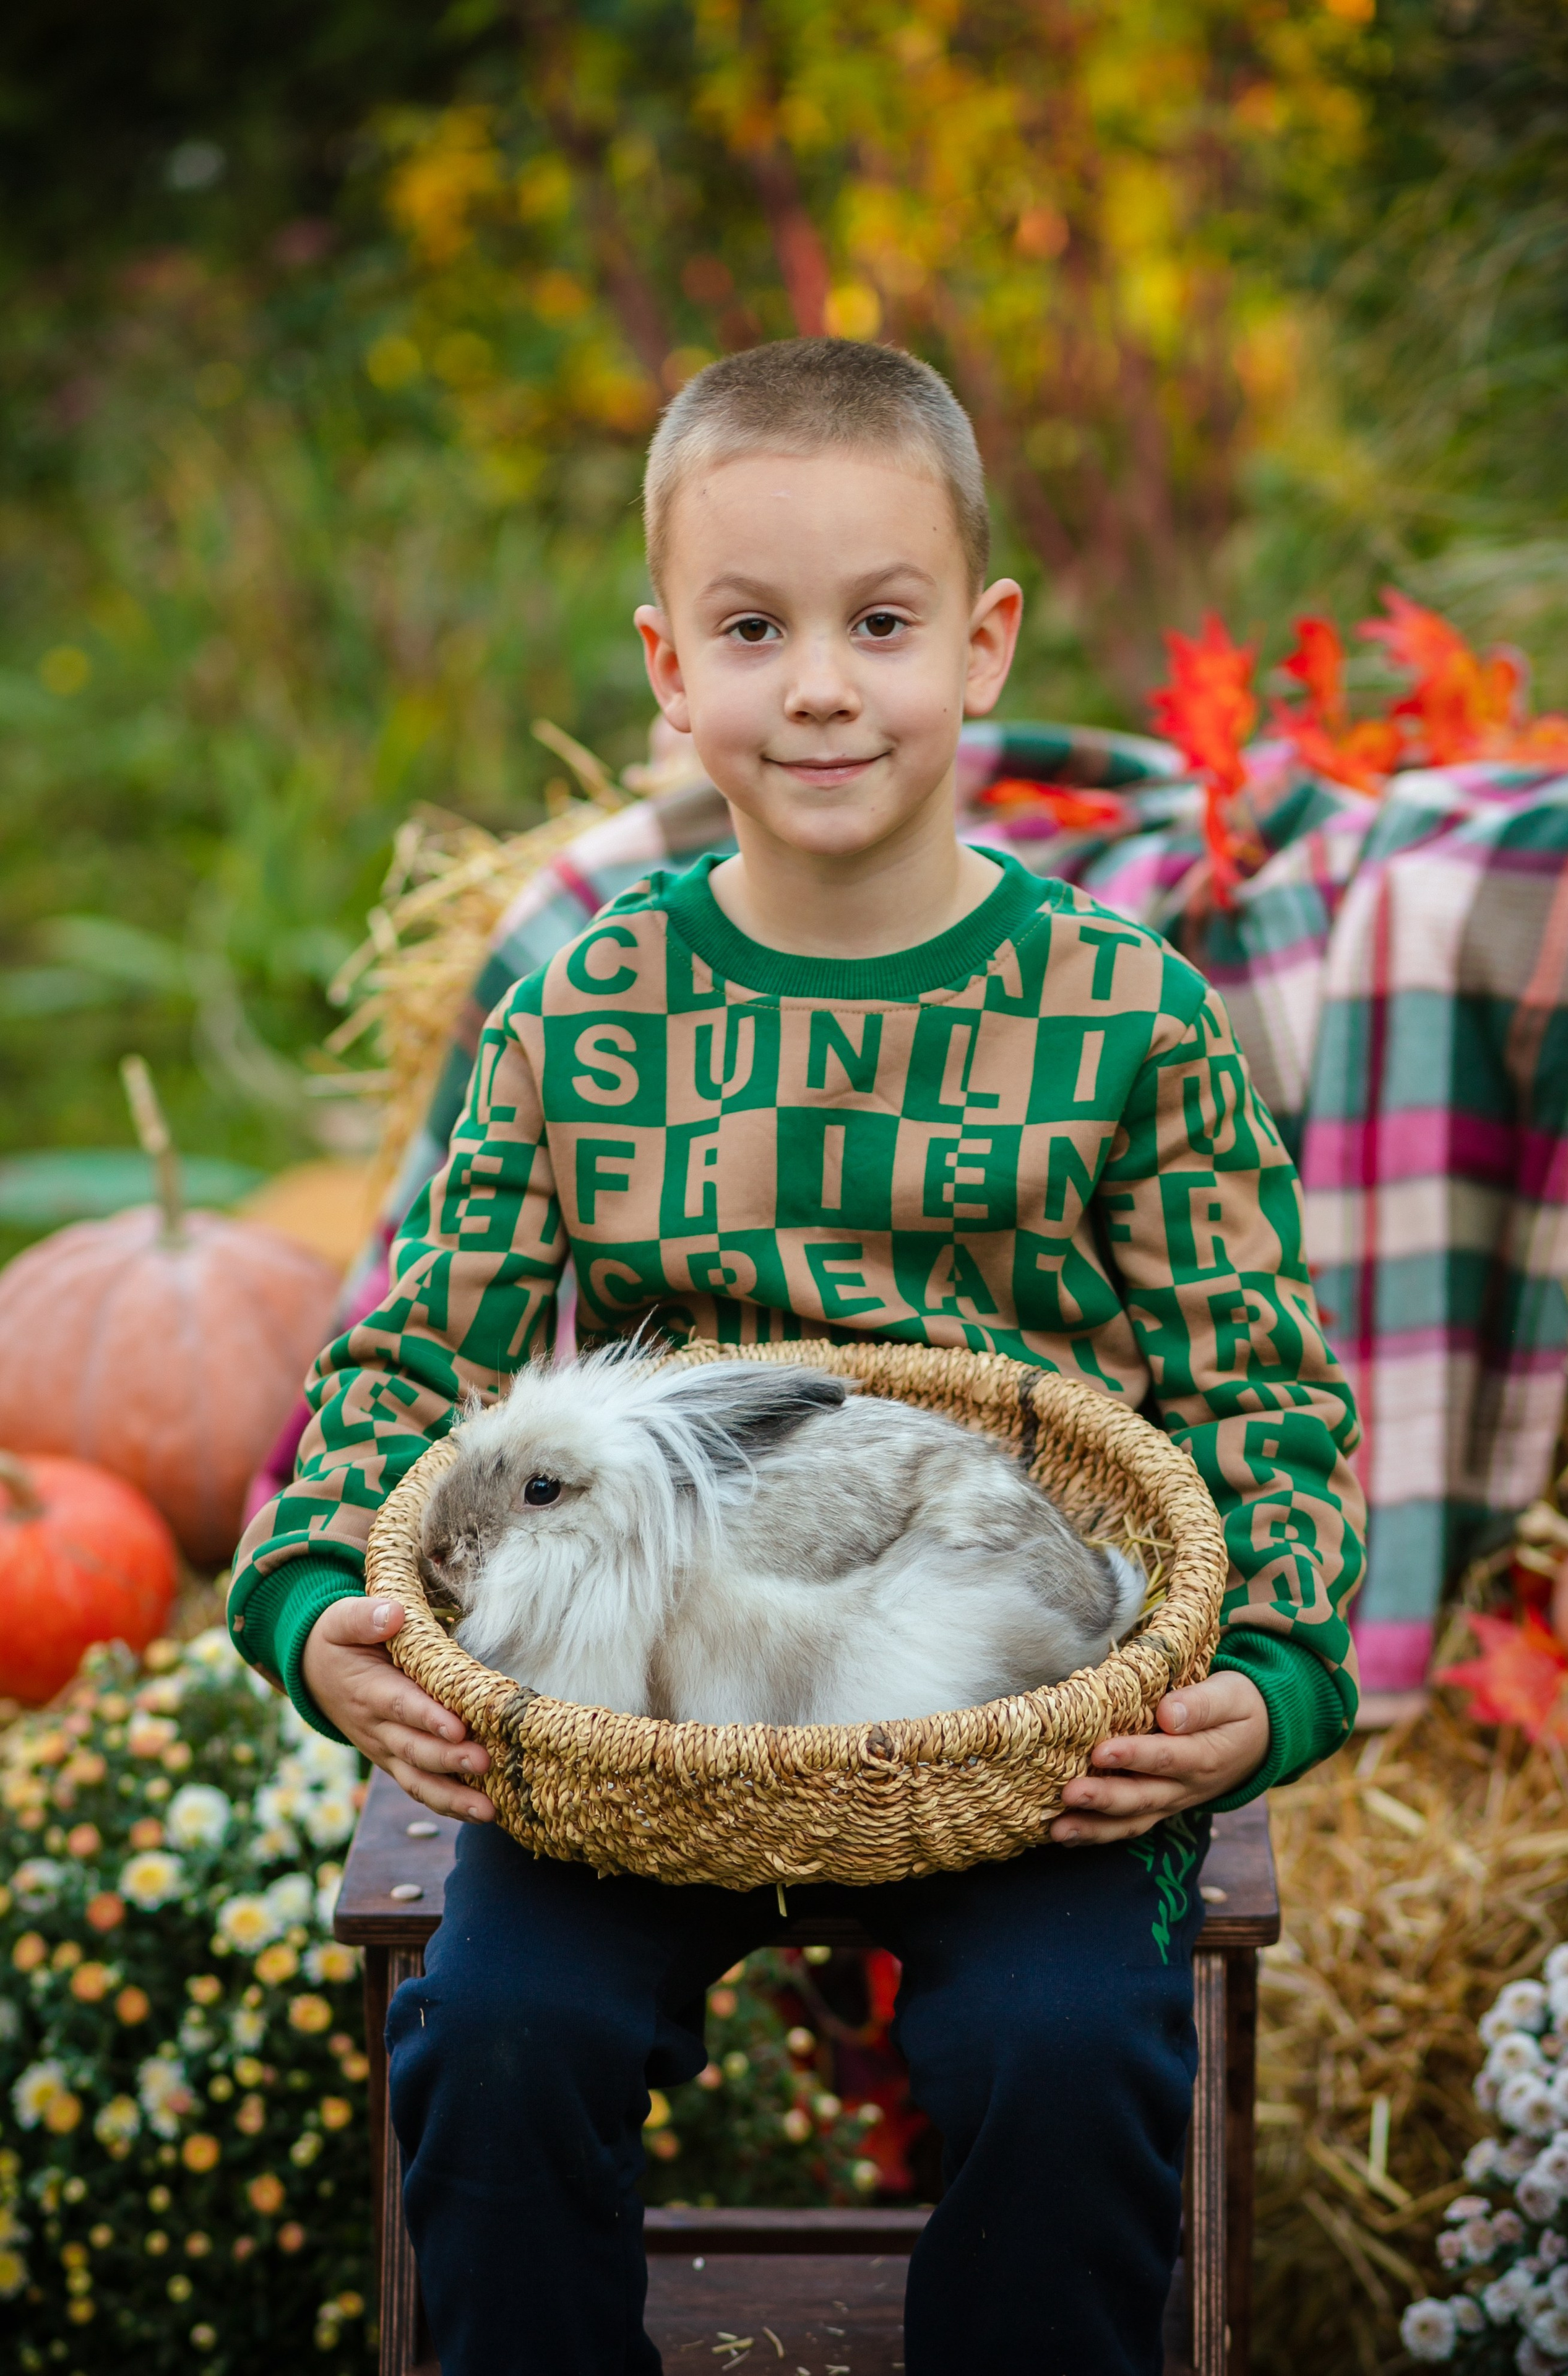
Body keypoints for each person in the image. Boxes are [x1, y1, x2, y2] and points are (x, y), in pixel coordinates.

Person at [228, 337, 1364, 2375]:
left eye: (883, 622)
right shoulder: (585, 1013)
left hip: (1004, 1704)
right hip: (641, 1698)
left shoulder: (1129, 1017)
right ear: (672, 670)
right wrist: (318, 1600)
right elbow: (413, 1359)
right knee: (496, 2041)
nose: (822, 684)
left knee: (1073, 2050)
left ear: (985, 644)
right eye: (756, 630)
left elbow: (1262, 1389)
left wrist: (1268, 1671)